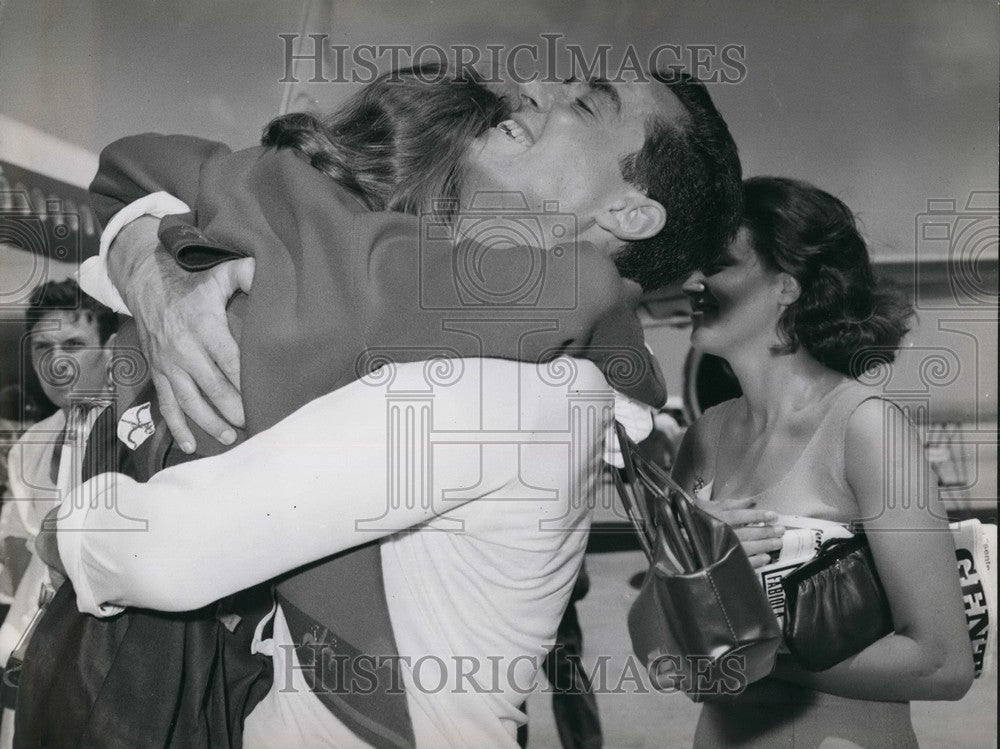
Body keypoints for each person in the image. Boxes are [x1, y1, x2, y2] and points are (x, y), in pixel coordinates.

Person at [48, 70, 745, 747]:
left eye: (588, 106)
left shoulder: (519, 389)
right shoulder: (468, 322)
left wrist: (60, 534)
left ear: (630, 212)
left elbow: (167, 552)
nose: (534, 87)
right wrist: (148, 262)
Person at [672, 177, 975, 748]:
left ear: (786, 286)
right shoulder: (704, 437)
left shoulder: (866, 428)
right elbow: (672, 661)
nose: (692, 281)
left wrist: (748, 652)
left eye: (717, 264)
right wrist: (686, 577)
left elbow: (943, 664)